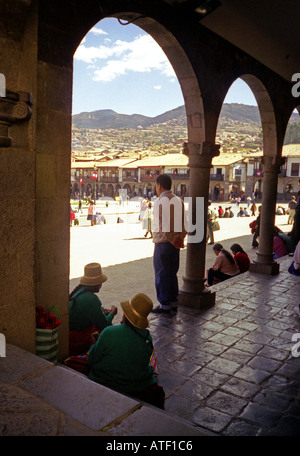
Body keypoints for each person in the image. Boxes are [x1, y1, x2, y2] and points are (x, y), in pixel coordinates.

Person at [87, 293, 165, 409]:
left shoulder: (109, 332)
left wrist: (93, 345)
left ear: (125, 314)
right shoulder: (146, 338)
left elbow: (91, 360)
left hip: (106, 379)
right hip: (135, 386)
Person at [151, 174, 186, 314]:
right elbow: (184, 223)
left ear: (159, 186)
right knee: (172, 272)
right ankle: (173, 301)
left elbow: (163, 225)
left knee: (161, 273)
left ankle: (164, 304)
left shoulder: (160, 202)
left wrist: (171, 240)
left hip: (163, 243)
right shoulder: (179, 200)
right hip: (175, 243)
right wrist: (179, 239)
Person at [68, 263, 118, 355]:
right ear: (97, 283)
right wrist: (112, 313)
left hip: (70, 332)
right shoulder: (91, 298)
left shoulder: (80, 290)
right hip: (76, 338)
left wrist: (100, 311)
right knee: (109, 330)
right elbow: (104, 325)